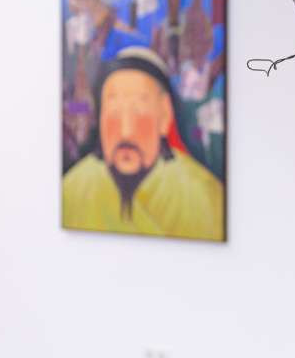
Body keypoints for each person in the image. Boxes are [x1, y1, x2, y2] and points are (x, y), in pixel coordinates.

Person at [62, 46, 224, 241]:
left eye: (138, 112)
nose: (126, 132)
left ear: (164, 115)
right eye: (114, 112)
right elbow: (77, 107)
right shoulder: (73, 187)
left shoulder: (204, 196)